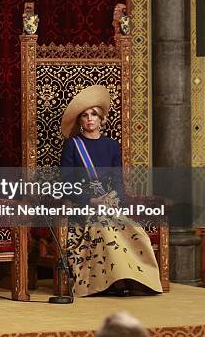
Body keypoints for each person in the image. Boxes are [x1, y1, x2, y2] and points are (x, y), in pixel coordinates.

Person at [60, 85, 162, 297]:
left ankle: (135, 279)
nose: (90, 119)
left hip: (111, 206)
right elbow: (66, 184)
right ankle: (112, 282)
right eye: (85, 115)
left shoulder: (111, 146)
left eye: (94, 115)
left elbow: (117, 180)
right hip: (84, 208)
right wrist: (92, 201)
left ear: (101, 119)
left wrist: (118, 202)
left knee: (133, 230)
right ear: (80, 121)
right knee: (105, 229)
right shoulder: (73, 145)